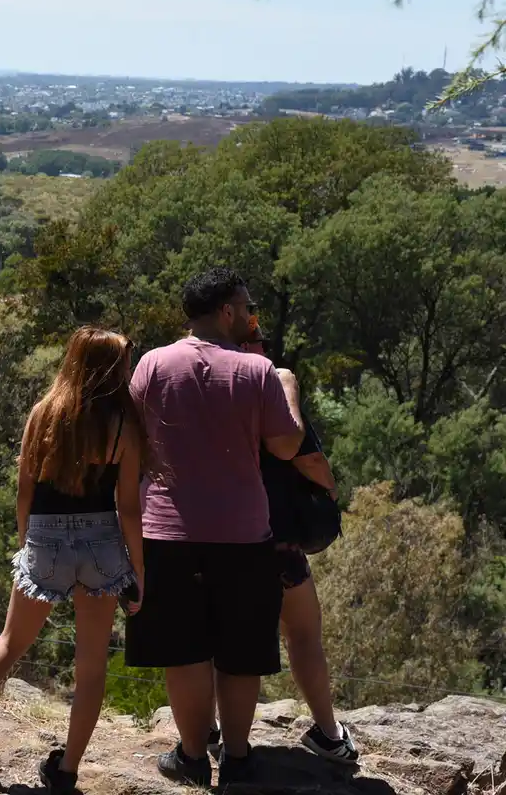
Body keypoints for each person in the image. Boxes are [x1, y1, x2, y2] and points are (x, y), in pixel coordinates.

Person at [0, 327, 146, 793]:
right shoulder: (125, 424)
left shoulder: (44, 414)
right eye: (125, 361)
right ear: (109, 369)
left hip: (45, 537)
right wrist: (138, 573)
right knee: (91, 666)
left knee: (10, 642)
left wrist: (29, 544)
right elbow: (128, 507)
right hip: (102, 543)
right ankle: (65, 771)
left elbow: (25, 492)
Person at [126, 268, 307, 788]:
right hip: (245, 534)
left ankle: (190, 756)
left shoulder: (152, 364)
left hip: (166, 532)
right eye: (247, 307)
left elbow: (131, 443)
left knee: (182, 649)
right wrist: (289, 388)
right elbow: (286, 445)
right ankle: (240, 757)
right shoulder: (258, 371)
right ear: (226, 311)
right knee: (241, 649)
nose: (251, 316)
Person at [205, 322, 358, 765]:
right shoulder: (273, 386)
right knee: (305, 636)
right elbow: (304, 455)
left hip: (217, 533)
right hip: (278, 543)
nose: (263, 350)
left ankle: (213, 733)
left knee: (221, 640)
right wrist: (329, 490)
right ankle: (329, 734)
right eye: (257, 342)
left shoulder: (211, 394)